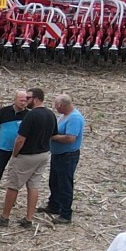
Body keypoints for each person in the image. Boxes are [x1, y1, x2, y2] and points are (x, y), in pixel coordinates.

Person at [0, 88, 57, 228]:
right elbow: (53, 134)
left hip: (26, 156)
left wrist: (15, 153)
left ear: (36, 99)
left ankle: (4, 217)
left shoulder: (30, 116)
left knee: (13, 186)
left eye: (28, 97)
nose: (26, 100)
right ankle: (28, 219)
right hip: (43, 155)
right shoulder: (50, 114)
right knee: (33, 186)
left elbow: (20, 138)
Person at [0, 90, 27, 208]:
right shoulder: (4, 112)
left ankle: (11, 201)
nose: (23, 103)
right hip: (2, 148)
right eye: (21, 100)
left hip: (19, 150)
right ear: (14, 100)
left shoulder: (28, 115)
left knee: (15, 177)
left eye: (25, 101)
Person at [48, 94, 84, 224]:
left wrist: (53, 137)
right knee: (54, 181)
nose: (56, 108)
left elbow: (70, 138)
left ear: (63, 106)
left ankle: (66, 214)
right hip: (58, 154)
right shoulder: (64, 116)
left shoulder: (74, 118)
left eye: (57, 106)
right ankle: (54, 205)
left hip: (68, 156)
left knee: (65, 184)